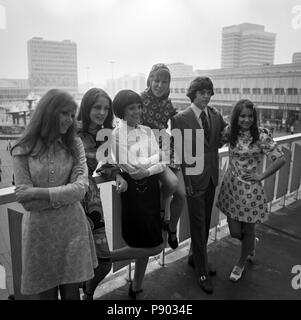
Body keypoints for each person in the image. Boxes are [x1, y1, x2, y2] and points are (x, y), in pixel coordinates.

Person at [11, 89, 98, 300]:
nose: (70, 120)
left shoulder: (74, 144)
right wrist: (61, 196)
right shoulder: (22, 148)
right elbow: (27, 202)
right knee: (46, 295)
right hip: (40, 234)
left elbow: (80, 190)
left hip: (72, 229)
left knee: (71, 295)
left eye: (72, 114)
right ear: (48, 112)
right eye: (65, 113)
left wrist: (37, 192)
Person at [216, 99, 286, 282]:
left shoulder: (261, 136)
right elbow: (214, 143)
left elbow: (280, 159)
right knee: (234, 232)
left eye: (250, 116)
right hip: (231, 188)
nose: (246, 120)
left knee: (247, 229)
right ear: (236, 117)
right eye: (242, 116)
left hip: (250, 193)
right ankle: (251, 243)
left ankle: (240, 263)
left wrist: (261, 176)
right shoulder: (230, 132)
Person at [171, 77, 227, 294]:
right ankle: (202, 272)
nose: (207, 96)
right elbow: (180, 154)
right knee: (198, 225)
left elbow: (225, 134)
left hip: (212, 176)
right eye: (202, 92)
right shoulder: (179, 119)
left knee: (204, 223)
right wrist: (187, 182)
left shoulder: (215, 115)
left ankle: (194, 257)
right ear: (193, 93)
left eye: (209, 92)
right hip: (194, 180)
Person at [111, 89, 165, 299]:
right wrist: (150, 161)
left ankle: (136, 285)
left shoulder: (146, 130)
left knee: (147, 240)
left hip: (152, 188)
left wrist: (148, 167)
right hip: (134, 192)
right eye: (132, 107)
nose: (137, 111)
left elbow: (162, 159)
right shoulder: (117, 134)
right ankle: (106, 258)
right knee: (154, 246)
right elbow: (130, 168)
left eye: (139, 106)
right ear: (121, 111)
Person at [77, 88, 128, 300]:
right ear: (87, 106)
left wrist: (117, 175)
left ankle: (87, 292)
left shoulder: (104, 134)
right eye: (97, 107)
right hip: (69, 200)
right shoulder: (71, 131)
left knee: (104, 260)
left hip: (91, 201)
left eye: (106, 109)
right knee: (74, 260)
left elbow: (105, 164)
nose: (102, 112)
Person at [141, 63, 186, 250]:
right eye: (156, 80)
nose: (160, 85)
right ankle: (161, 213)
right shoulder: (140, 99)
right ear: (150, 80)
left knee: (182, 195)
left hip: (167, 146)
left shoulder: (168, 104)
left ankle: (172, 227)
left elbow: (178, 119)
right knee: (172, 184)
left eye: (164, 82)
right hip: (148, 149)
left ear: (169, 85)